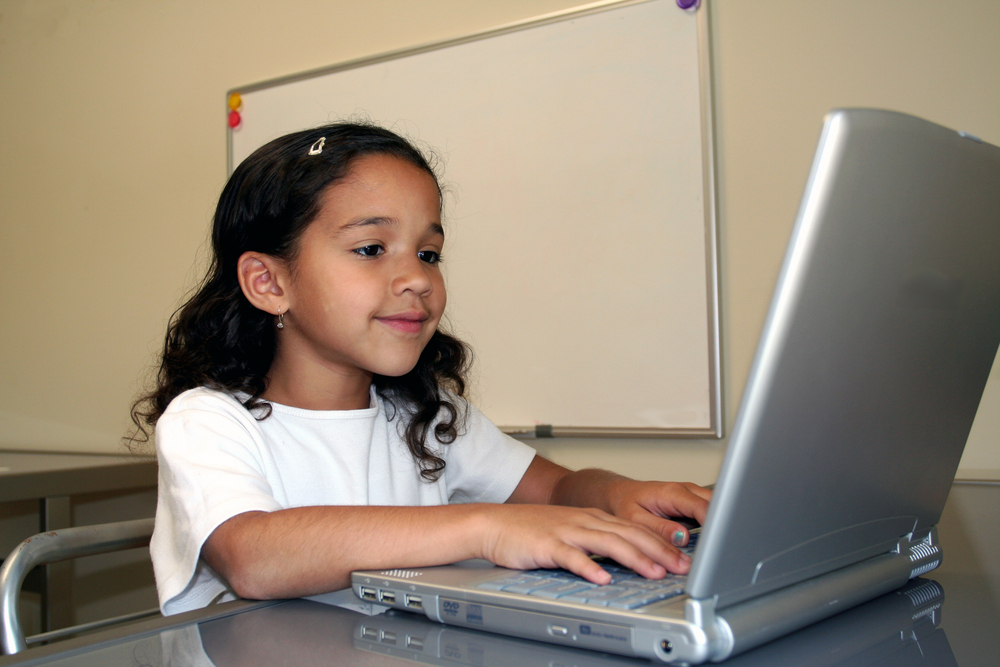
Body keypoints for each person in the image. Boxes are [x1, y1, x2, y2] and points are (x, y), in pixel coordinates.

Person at [129, 122, 712, 616]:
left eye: (428, 253)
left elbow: (556, 488)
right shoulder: (206, 422)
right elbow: (254, 558)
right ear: (269, 282)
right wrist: (486, 527)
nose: (418, 278)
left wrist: (620, 493)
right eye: (371, 249)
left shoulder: (426, 414)